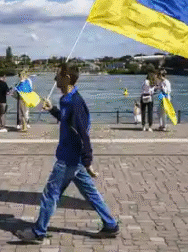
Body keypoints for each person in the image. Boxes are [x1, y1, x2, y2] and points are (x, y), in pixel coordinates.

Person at [14, 63, 119, 242]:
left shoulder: (75, 102)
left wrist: (88, 161)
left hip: (69, 158)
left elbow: (83, 133)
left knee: (50, 193)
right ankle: (110, 225)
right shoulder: (67, 100)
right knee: (90, 193)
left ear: (67, 78)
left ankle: (38, 232)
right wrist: (53, 110)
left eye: (58, 76)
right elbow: (67, 122)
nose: (55, 79)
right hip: (73, 159)